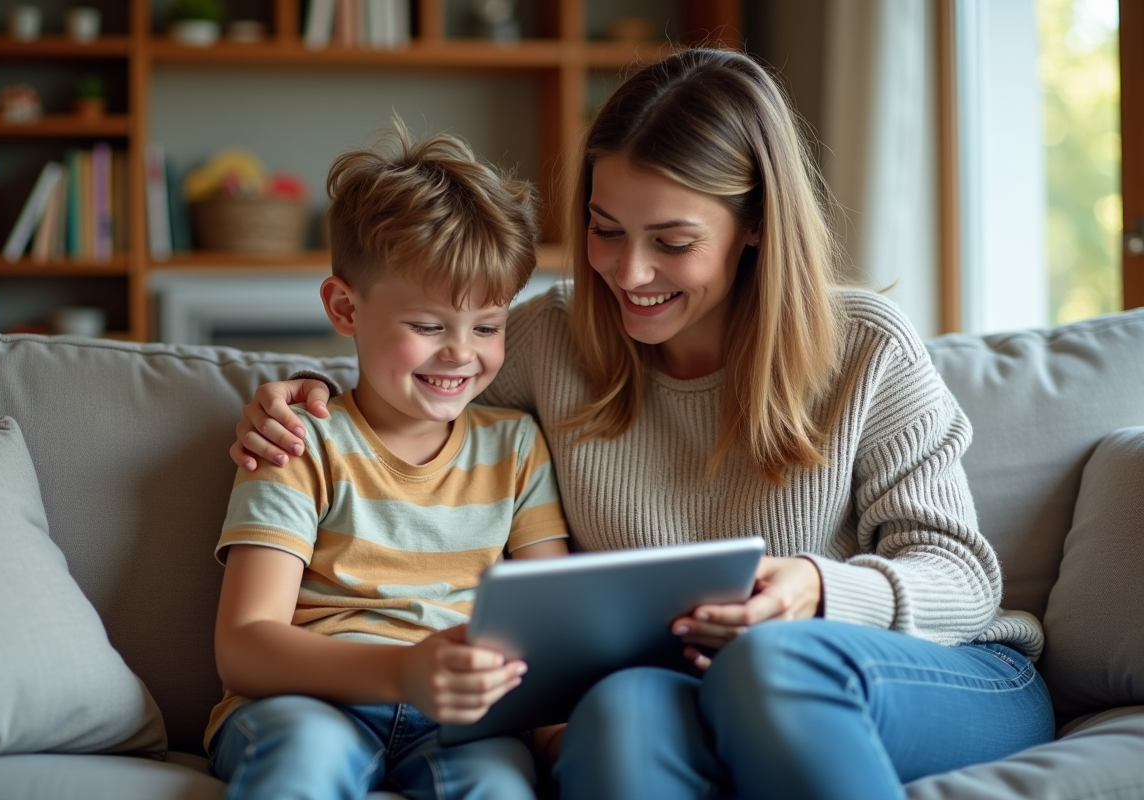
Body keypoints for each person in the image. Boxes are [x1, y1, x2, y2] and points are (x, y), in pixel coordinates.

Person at [227, 48, 1054, 800]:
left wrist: (816, 587)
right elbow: (414, 372)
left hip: (939, 676)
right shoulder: (553, 344)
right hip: (704, 682)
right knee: (617, 709)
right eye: (605, 229)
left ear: (754, 224)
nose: (630, 272)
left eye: (672, 240)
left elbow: (964, 580)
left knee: (770, 664)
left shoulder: (864, 345)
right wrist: (297, 394)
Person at [206, 121, 570, 800]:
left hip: (464, 721)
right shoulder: (297, 438)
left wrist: (556, 734)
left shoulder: (517, 448)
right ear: (346, 306)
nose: (462, 353)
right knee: (303, 760)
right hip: (308, 701)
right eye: (429, 326)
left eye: (487, 327)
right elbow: (245, 645)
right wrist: (402, 673)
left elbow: (542, 633)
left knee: (498, 785)